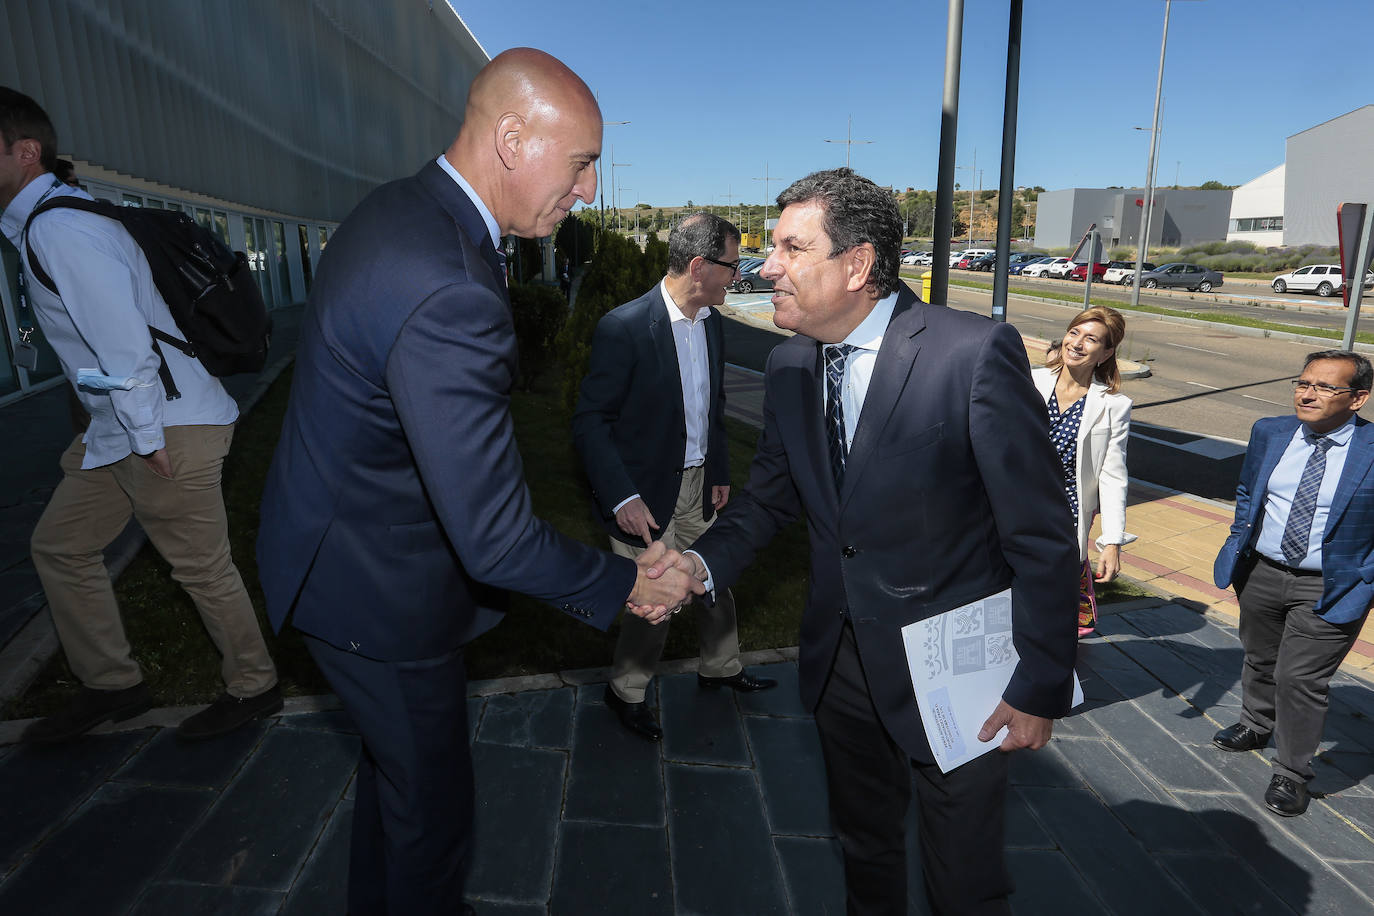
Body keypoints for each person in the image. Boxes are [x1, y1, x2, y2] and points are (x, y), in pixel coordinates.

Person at [255, 49, 700, 916]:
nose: (592, 190)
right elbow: (492, 534)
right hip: (378, 599)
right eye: (580, 162)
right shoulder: (451, 281)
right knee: (432, 823)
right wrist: (626, 583)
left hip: (334, 554)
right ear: (510, 139)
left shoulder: (403, 208)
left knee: (396, 796)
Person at [685, 168, 1079, 914]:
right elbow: (769, 500)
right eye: (772, 249)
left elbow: (1042, 535)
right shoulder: (790, 364)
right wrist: (697, 565)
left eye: (791, 248)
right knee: (863, 847)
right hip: (841, 665)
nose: (767, 268)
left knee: (963, 877)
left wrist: (1039, 683)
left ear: (858, 264)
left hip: (961, 674)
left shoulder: (971, 355)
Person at [0, 88, 282, 743]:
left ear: (25, 151)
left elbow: (124, 344)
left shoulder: (60, 227)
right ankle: (113, 684)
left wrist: (147, 437)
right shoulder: (54, 220)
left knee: (200, 567)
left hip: (162, 425)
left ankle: (256, 686)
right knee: (60, 545)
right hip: (124, 429)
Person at [573, 212, 776, 741]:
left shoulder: (712, 322)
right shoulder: (624, 328)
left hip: (698, 483)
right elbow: (591, 421)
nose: (738, 275)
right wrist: (621, 496)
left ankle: (720, 668)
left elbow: (713, 406)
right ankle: (626, 692)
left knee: (715, 578)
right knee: (655, 599)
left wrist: (720, 470)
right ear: (698, 266)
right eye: (731, 266)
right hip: (642, 493)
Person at [1212, 350, 1374, 818]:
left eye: (1326, 387)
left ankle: (1292, 771)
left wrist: (1366, 579)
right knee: (1260, 657)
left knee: (1300, 678)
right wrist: (1239, 537)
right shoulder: (1271, 431)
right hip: (1262, 571)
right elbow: (1248, 490)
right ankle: (1256, 723)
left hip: (1333, 583)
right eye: (1304, 383)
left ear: (1358, 398)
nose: (1308, 393)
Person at [1032, 306, 1135, 638]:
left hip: (1066, 518)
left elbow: (1112, 476)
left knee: (1050, 608)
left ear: (1106, 353)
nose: (1077, 343)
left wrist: (1112, 542)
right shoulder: (1029, 380)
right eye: (1074, 332)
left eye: (1091, 339)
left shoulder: (1114, 405)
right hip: (1012, 507)